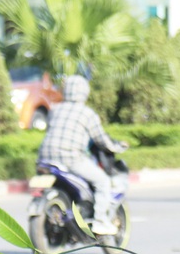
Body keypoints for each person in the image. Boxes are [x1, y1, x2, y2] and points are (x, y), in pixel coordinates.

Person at [37, 74, 127, 235]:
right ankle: (100, 221)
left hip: (45, 158)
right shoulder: (87, 114)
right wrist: (117, 147)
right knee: (103, 182)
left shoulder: (55, 109)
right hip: (71, 158)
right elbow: (101, 139)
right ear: (85, 92)